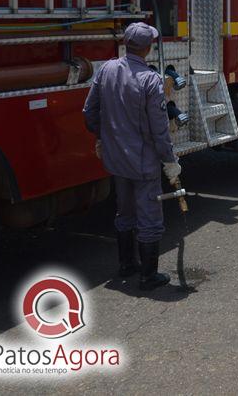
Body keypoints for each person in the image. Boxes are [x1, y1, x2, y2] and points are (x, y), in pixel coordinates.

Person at [82, 23, 181, 291]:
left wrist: (103, 137)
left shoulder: (107, 70)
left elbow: (89, 112)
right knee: (149, 218)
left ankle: (126, 264)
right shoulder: (151, 80)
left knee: (124, 212)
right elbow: (160, 131)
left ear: (126, 44)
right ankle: (149, 276)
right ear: (148, 48)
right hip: (143, 163)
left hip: (116, 160)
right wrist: (170, 161)